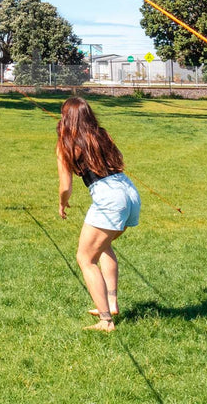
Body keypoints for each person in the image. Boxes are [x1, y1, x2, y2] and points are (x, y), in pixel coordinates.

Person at [56, 96, 141, 332]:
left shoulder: (65, 143)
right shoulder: (102, 134)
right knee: (102, 247)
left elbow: (65, 186)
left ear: (66, 118)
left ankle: (105, 321)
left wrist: (62, 203)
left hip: (110, 199)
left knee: (85, 259)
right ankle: (111, 303)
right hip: (129, 193)